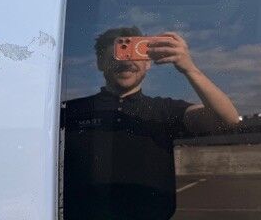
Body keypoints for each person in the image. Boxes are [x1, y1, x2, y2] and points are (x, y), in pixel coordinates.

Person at [62, 26, 240, 220]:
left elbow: (227, 120)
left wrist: (189, 69)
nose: (126, 62)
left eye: (134, 53)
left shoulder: (165, 110)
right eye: (118, 54)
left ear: (148, 63)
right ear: (100, 63)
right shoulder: (70, 111)